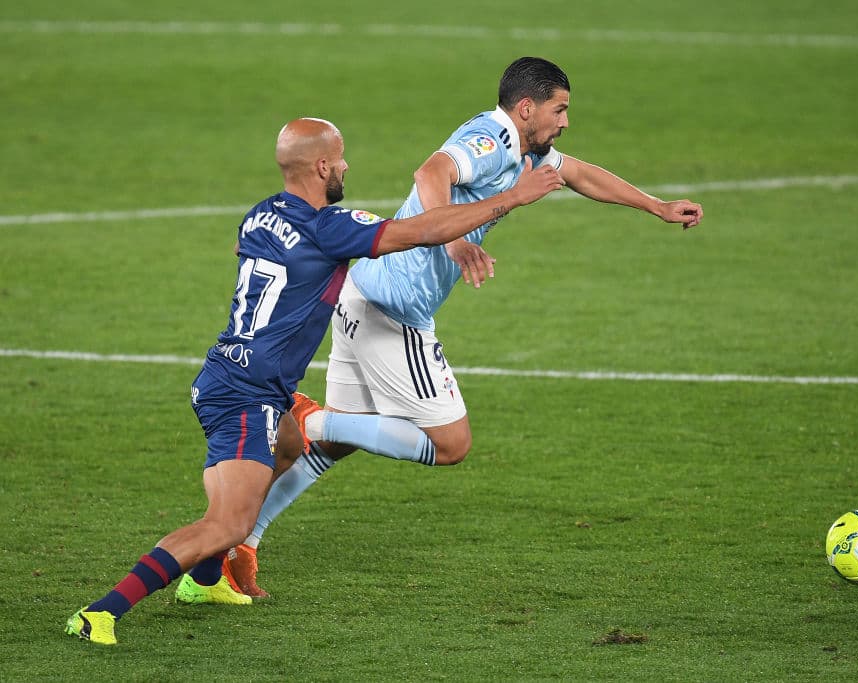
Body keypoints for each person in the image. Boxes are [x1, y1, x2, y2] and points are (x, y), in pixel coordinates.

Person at [64, 116, 565, 645]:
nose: (347, 165)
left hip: (228, 373)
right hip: (247, 395)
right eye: (341, 158)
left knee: (290, 446)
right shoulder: (329, 226)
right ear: (322, 166)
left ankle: (206, 581)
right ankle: (103, 611)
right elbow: (421, 231)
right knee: (226, 525)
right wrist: (512, 197)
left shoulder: (259, 214)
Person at [224, 57, 703, 598]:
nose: (565, 121)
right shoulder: (489, 138)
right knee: (449, 444)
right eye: (559, 109)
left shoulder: (531, 150)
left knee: (342, 443)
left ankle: (243, 546)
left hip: (363, 294)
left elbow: (577, 173)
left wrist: (656, 206)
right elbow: (430, 173)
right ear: (527, 108)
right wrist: (451, 240)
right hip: (395, 310)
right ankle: (313, 422)